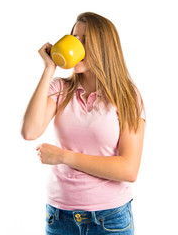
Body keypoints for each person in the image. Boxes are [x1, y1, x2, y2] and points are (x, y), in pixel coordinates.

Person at [21, 12, 145, 235]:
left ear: (104, 48)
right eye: (74, 37)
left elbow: (129, 169)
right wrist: (49, 69)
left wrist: (63, 156)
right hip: (58, 217)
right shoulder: (60, 90)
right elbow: (30, 131)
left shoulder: (126, 96)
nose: (76, 45)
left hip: (109, 219)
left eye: (85, 41)